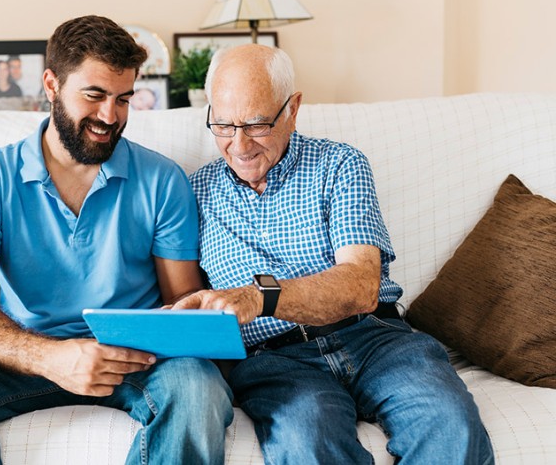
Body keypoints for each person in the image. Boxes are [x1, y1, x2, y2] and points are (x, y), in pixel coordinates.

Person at [0, 15, 233, 465]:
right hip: (22, 357)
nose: (110, 117)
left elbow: (182, 298)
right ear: (51, 85)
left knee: (198, 387)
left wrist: (199, 315)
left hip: (138, 361)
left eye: (123, 99)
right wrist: (50, 358)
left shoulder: (162, 180)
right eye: (94, 96)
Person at [173, 44, 494, 464]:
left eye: (256, 124)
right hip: (276, 361)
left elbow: (361, 284)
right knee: (306, 443)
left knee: (451, 426)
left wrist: (258, 296)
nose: (239, 145)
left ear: (293, 108)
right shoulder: (194, 192)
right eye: (222, 124)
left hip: (374, 337)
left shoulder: (339, 165)